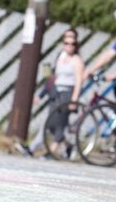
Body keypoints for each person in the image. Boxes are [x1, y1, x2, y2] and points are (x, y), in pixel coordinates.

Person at [16, 28, 85, 158]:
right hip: (55, 92)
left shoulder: (77, 60)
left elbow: (79, 81)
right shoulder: (60, 56)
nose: (69, 46)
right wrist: (41, 94)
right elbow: (52, 77)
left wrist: (74, 100)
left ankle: (43, 151)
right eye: (66, 43)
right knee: (52, 125)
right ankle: (69, 146)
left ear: (76, 45)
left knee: (57, 124)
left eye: (72, 44)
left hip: (67, 93)